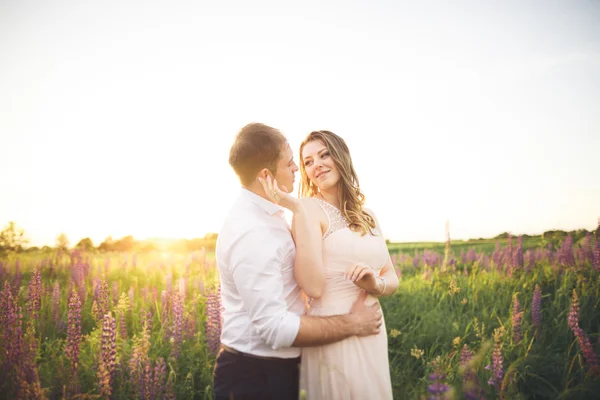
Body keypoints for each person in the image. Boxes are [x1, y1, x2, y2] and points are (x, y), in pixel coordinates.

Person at [213, 123, 383, 400]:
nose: (297, 169)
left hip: (277, 369)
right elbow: (275, 328)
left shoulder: (272, 213)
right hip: (254, 377)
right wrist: (353, 323)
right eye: (291, 162)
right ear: (266, 174)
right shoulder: (251, 231)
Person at [261, 129, 399, 399]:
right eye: (308, 162)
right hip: (335, 328)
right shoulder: (308, 208)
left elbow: (392, 277)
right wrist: (297, 208)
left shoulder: (368, 215)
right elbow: (313, 287)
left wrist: (375, 284)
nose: (317, 165)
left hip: (372, 329)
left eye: (324, 155)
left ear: (341, 157)